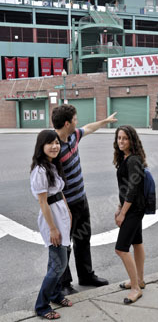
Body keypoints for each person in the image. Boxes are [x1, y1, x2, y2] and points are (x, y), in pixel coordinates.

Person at [51, 104, 117, 295]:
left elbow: (88, 128)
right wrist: (64, 208)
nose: (77, 122)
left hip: (81, 199)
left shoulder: (74, 136)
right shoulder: (54, 147)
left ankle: (86, 275)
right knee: (65, 244)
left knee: (83, 239)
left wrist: (105, 121)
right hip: (66, 205)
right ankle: (64, 284)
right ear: (67, 123)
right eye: (75, 119)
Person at [30, 130, 73, 319]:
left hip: (60, 215)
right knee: (59, 265)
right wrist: (53, 228)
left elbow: (59, 192)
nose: (55, 146)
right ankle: (41, 305)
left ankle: (55, 294)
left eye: (57, 142)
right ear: (42, 146)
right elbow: (43, 202)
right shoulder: (39, 170)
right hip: (51, 219)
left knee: (56, 262)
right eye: (50, 143)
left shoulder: (52, 165)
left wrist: (68, 210)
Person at [113, 125, 147, 304]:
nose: (121, 141)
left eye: (125, 138)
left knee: (121, 248)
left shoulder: (133, 160)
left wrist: (122, 213)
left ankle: (135, 288)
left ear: (132, 140)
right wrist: (119, 206)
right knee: (137, 242)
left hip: (133, 209)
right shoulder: (125, 158)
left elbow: (132, 190)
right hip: (133, 207)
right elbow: (126, 188)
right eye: (119, 138)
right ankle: (139, 280)